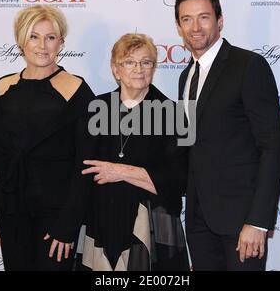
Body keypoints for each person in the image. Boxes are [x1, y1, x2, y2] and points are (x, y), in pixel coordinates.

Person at [0, 5, 95, 271]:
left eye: (50, 37)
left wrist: (68, 224)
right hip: (10, 210)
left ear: (61, 42)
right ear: (21, 41)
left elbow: (85, 167)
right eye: (34, 36)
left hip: (56, 216)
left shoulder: (78, 91)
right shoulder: (2, 88)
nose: (42, 45)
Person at [175, 0, 280, 270]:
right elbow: (189, 144)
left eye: (203, 17)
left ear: (219, 21)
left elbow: (272, 146)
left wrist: (258, 221)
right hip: (199, 223)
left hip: (241, 224)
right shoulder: (185, 76)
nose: (195, 27)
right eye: (186, 19)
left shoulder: (248, 66)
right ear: (179, 27)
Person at [64, 33, 189, 271]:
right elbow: (81, 174)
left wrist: (120, 171)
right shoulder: (94, 110)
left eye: (146, 62)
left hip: (151, 226)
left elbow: (181, 180)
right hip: (100, 222)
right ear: (115, 69)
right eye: (129, 62)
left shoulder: (174, 114)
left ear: (154, 68)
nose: (139, 69)